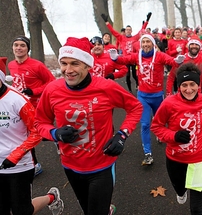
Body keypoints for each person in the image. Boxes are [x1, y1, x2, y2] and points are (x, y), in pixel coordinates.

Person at [34, 37, 143, 215]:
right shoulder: (52, 90)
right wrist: (55, 133)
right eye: (64, 63)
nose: (68, 70)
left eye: (75, 64)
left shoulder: (106, 88)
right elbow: (40, 123)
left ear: (87, 65)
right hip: (70, 165)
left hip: (101, 165)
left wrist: (122, 135)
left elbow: (135, 107)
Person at [151, 62, 202, 215]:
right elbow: (156, 126)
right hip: (176, 159)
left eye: (192, 84)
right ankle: (181, 192)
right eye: (184, 85)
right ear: (179, 86)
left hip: (200, 158)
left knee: (197, 209)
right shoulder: (169, 103)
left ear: (199, 84)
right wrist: (173, 136)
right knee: (180, 189)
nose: (189, 89)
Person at [0, 57, 64, 215]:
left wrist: (16, 155)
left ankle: (51, 197)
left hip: (18, 165)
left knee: (22, 211)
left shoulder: (17, 100)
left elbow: (37, 130)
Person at [110, 34, 185, 165]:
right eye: (143, 42)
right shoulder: (137, 55)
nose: (145, 44)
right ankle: (148, 153)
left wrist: (178, 60)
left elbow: (171, 62)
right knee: (145, 124)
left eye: (148, 42)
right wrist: (116, 58)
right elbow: (125, 60)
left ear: (153, 44)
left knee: (160, 122)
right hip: (143, 96)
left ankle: (160, 135)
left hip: (158, 96)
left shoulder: (159, 55)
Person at [8, 36, 56, 177]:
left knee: (31, 134)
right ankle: (33, 163)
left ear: (27, 49)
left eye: (22, 45)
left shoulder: (37, 65)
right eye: (16, 45)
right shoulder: (11, 65)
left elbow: (51, 82)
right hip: (18, 106)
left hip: (35, 106)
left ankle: (36, 164)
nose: (18, 48)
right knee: (23, 135)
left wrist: (33, 91)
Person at [101, 13, 152, 93]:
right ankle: (130, 91)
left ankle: (139, 87)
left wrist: (147, 21)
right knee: (127, 75)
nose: (128, 31)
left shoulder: (135, 37)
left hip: (134, 59)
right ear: (125, 31)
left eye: (129, 30)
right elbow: (113, 32)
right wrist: (107, 22)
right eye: (127, 30)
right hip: (126, 59)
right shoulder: (121, 38)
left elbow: (142, 30)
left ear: (131, 31)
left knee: (135, 75)